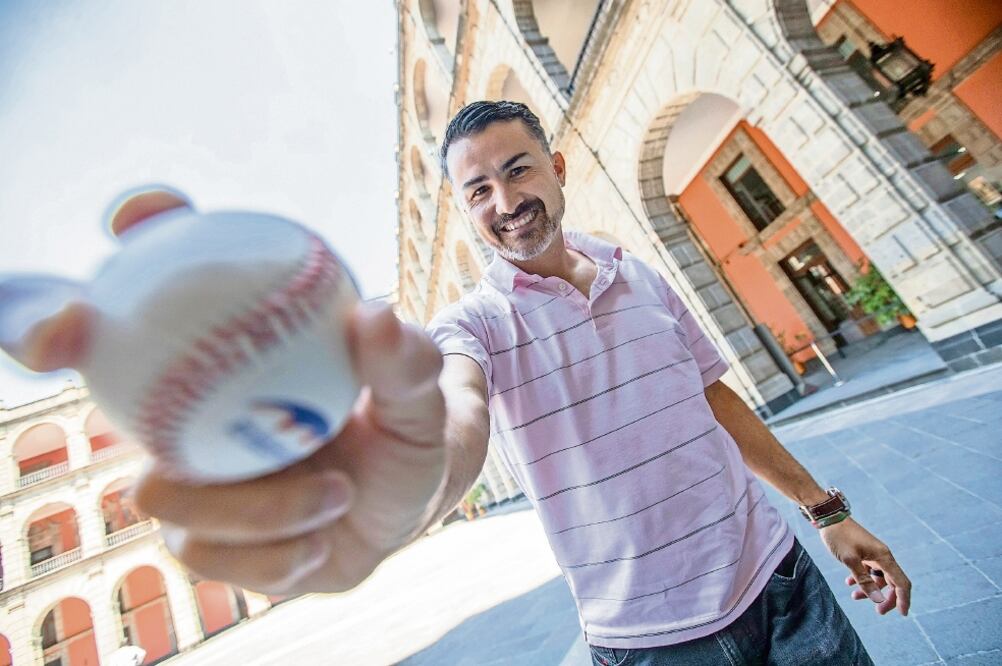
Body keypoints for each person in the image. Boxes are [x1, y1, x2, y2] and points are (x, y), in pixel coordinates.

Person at [1, 101, 910, 665]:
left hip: (783, 577)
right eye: (477, 190)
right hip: (651, 644)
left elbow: (713, 398)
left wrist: (825, 511)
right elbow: (459, 416)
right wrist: (410, 488)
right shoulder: (472, 325)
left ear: (557, 166)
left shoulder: (638, 272)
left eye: (518, 170)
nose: (505, 202)